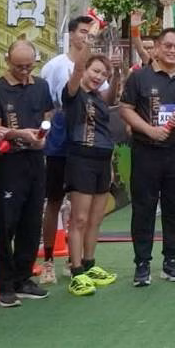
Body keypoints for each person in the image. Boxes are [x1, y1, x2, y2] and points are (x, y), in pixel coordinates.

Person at [120, 27, 175, 287]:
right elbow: (125, 109)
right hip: (145, 150)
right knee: (144, 208)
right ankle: (142, 263)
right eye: (167, 45)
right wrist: (149, 130)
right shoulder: (139, 77)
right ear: (157, 47)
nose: (172, 51)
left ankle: (171, 260)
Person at [0, 41, 53, 306]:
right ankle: (4, 284)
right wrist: (19, 134)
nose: (24, 71)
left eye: (29, 66)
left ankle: (23, 276)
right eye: (18, 66)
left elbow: (48, 115)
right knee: (6, 223)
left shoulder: (41, 85)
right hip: (9, 161)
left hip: (35, 159)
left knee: (32, 220)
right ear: (7, 61)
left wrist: (42, 136)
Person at [38, 16, 97, 284]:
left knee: (81, 206)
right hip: (59, 142)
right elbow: (47, 104)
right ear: (71, 35)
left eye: (90, 32)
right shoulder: (55, 66)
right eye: (82, 31)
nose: (86, 36)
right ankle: (48, 260)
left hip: (85, 144)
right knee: (54, 201)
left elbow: (104, 96)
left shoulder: (94, 67)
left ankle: (77, 260)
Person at [60, 55, 118, 295]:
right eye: (95, 71)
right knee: (80, 219)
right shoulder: (73, 95)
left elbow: (106, 124)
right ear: (84, 70)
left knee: (96, 218)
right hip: (81, 160)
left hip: (102, 161)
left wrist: (110, 165)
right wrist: (84, 47)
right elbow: (75, 75)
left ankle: (89, 264)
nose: (98, 77)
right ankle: (76, 271)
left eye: (103, 74)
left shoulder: (99, 99)